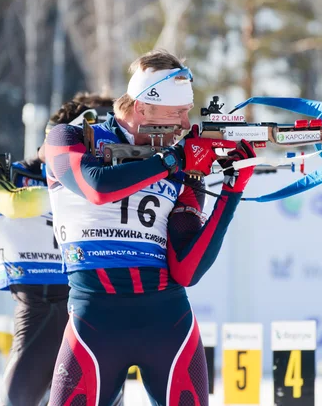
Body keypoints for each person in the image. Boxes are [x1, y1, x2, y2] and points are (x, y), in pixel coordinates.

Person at [45, 49, 256, 406]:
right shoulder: (70, 138)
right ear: (142, 108)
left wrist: (231, 192)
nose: (185, 122)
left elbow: (187, 270)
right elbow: (97, 187)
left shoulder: (180, 166)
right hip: (93, 319)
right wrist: (172, 160)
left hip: (167, 321)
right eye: (177, 112)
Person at [0, 93, 116, 406]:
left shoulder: (99, 179)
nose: (90, 153)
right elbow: (12, 203)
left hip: (89, 315)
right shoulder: (3, 172)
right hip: (39, 316)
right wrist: (77, 188)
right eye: (85, 143)